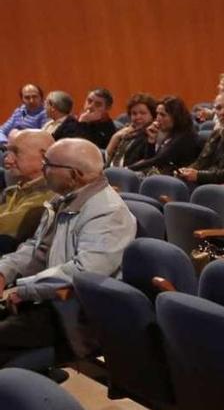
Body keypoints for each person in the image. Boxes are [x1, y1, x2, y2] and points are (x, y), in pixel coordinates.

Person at [0, 138, 136, 364]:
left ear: (74, 175)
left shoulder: (109, 213)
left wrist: (24, 289)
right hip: (44, 297)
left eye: (48, 165)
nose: (43, 170)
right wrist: (5, 271)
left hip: (73, 313)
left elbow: (84, 273)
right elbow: (36, 248)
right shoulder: (62, 199)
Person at [0, 130, 56, 253]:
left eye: (15, 152)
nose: (8, 159)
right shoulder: (11, 191)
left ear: (44, 157)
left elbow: (7, 226)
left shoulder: (51, 196)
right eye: (8, 152)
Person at [128, 96, 199, 175]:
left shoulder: (185, 137)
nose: (158, 118)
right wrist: (151, 141)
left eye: (162, 115)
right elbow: (150, 160)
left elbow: (159, 160)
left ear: (175, 117)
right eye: (157, 114)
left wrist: (127, 169)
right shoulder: (170, 134)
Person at [105, 93, 157, 168]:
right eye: (134, 114)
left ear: (152, 115)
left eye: (143, 113)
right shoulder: (126, 133)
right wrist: (115, 137)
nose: (138, 117)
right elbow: (106, 160)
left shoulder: (152, 135)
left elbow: (147, 163)